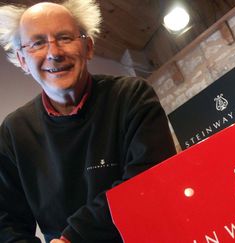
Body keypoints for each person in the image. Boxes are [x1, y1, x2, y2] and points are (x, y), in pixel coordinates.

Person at [0, 0, 177, 242]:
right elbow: (5, 222)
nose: (54, 53)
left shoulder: (131, 95)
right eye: (38, 43)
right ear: (22, 60)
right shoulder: (13, 132)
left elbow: (149, 177)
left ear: (89, 47)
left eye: (64, 37)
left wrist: (72, 238)